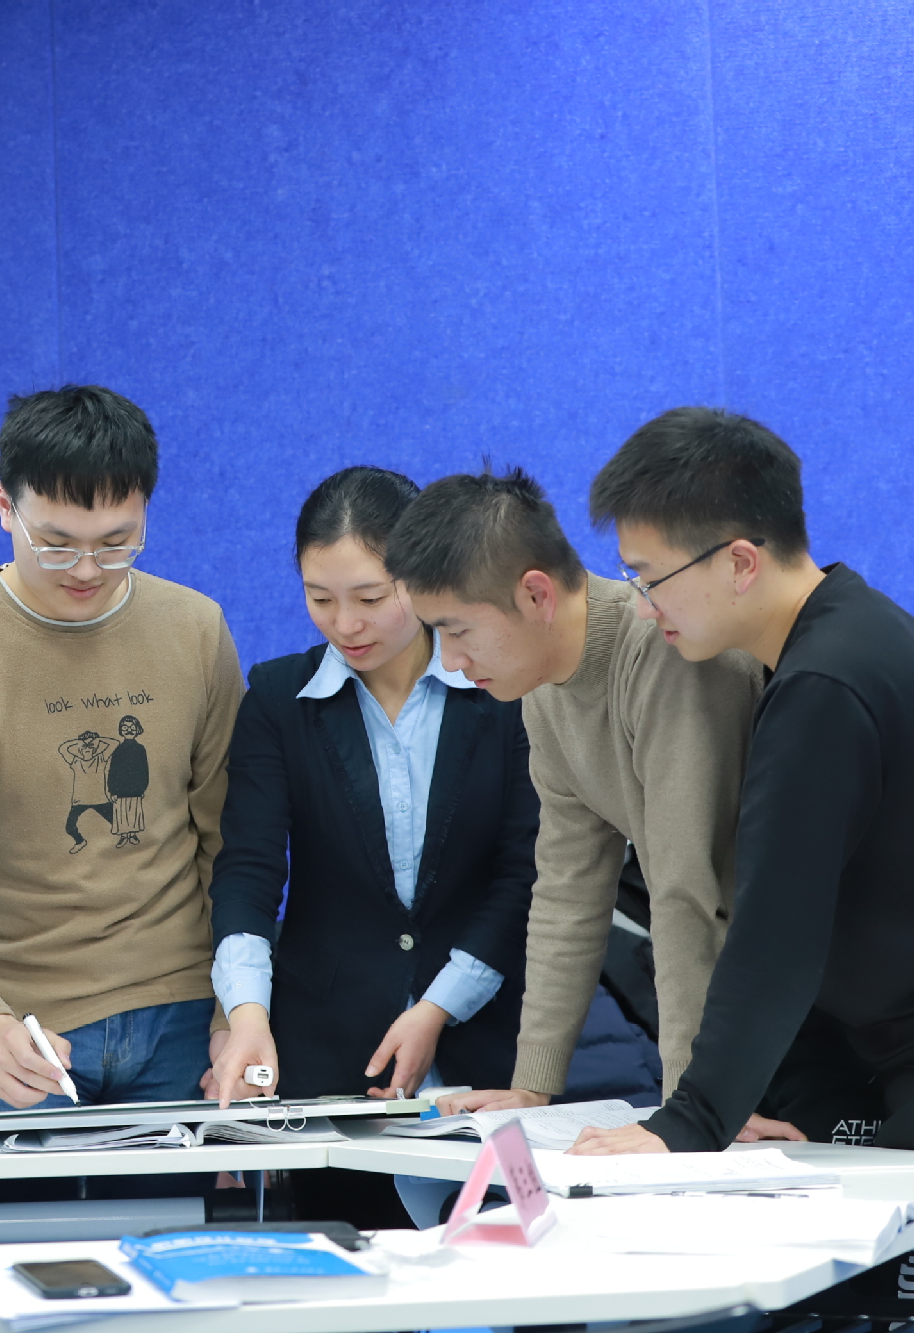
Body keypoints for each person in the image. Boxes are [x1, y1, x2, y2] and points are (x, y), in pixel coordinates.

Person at [571, 407, 914, 1331]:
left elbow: (776, 934)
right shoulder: (847, 632)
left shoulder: (826, 682)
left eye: (649, 576)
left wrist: (687, 1122)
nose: (641, 603)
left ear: (738, 561)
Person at [383, 468, 785, 1128]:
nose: (449, 661)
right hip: (749, 1012)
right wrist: (531, 1086)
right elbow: (567, 889)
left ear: (535, 593)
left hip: (816, 999)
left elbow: (691, 893)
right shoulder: (541, 688)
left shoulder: (668, 652)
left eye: (457, 631)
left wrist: (691, 1112)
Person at [0, 385, 242, 1114]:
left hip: (182, 1015)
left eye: (116, 542)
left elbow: (229, 839)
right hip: (20, 1029)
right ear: (3, 507)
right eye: (56, 543)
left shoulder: (196, 631)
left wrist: (237, 1010)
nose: (85, 569)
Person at [202, 466, 538, 1227]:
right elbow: (249, 871)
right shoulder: (279, 700)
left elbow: (526, 873)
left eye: (369, 597)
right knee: (352, 1266)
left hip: (490, 1047)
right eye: (320, 598)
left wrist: (438, 1007)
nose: (345, 624)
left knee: (508, 1258)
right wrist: (246, 1013)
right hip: (330, 1059)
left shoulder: (501, 690)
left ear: (420, 576)